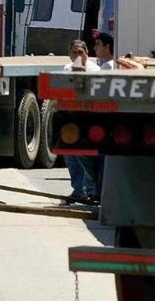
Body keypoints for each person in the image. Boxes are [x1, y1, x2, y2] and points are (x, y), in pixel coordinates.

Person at [61, 40, 99, 203]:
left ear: (87, 53)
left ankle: (92, 190)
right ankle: (78, 190)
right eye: (74, 52)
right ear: (69, 54)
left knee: (86, 155)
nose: (77, 55)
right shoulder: (67, 69)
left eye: (80, 52)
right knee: (71, 156)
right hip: (71, 117)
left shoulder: (94, 70)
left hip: (88, 117)